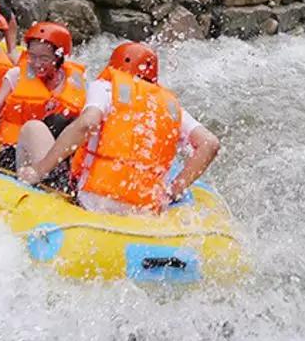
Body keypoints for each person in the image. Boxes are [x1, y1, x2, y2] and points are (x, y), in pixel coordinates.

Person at [18, 42, 221, 214]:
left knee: (33, 128)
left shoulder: (106, 87)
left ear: (113, 66)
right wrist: (173, 191)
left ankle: (21, 194)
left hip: (93, 201)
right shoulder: (171, 106)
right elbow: (210, 144)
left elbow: (87, 123)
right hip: (144, 210)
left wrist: (40, 170)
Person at [0, 22, 87, 193]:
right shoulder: (16, 75)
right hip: (15, 150)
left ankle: (59, 183)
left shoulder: (75, 82)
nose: (36, 63)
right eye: (32, 56)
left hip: (54, 155)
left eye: (44, 58)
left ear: (59, 57)